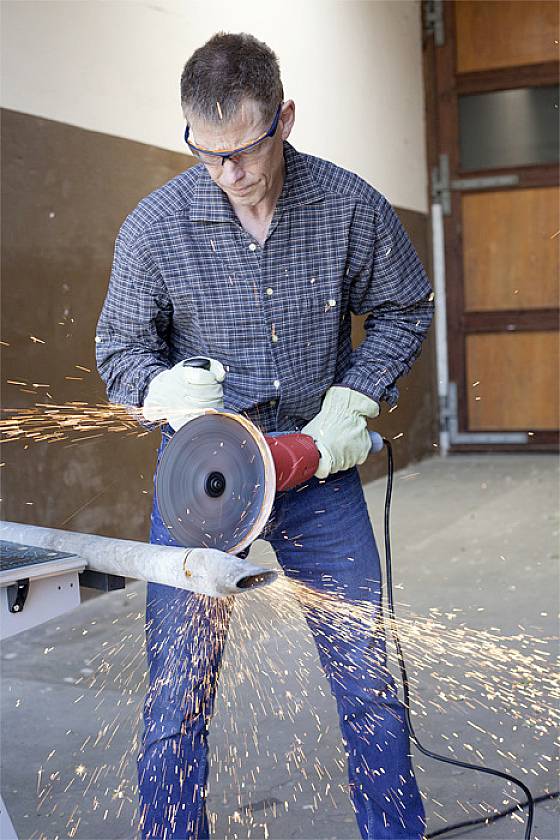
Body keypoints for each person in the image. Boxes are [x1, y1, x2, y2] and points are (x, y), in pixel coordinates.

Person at [96, 32, 433, 840]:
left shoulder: (348, 206)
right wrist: (159, 390)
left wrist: (351, 403)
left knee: (368, 683)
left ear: (284, 119)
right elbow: (119, 350)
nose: (228, 172)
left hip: (319, 473)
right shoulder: (156, 227)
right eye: (206, 152)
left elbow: (405, 307)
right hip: (203, 484)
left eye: (244, 150)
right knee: (176, 698)